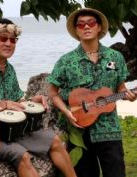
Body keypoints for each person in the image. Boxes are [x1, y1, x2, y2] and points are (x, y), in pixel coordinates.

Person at [0, 18, 77, 177]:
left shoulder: (10, 69)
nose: (9, 43)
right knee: (23, 156)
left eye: (13, 40)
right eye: (3, 38)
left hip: (14, 131)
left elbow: (16, 101)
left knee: (54, 140)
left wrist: (30, 101)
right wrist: (4, 104)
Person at [47, 8, 137, 177]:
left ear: (99, 28)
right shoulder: (66, 61)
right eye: (81, 24)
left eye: (91, 23)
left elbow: (121, 88)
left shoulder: (115, 57)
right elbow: (52, 91)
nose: (86, 27)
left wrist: (129, 96)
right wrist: (66, 112)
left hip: (109, 131)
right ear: (76, 30)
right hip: (79, 133)